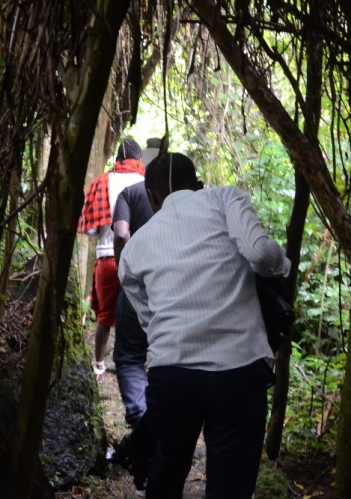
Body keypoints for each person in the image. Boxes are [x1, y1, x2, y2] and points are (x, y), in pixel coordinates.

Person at [118, 153, 290, 498]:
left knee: (167, 471)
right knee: (230, 486)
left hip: (173, 377)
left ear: (152, 198)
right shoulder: (225, 197)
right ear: (198, 186)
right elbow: (260, 255)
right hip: (238, 371)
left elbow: (150, 321)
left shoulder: (134, 248)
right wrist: (282, 265)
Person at [77, 138, 145, 379]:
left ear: (117, 159)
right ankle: (134, 364)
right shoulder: (146, 183)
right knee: (140, 314)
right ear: (138, 159)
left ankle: (98, 366)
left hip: (107, 258)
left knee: (104, 317)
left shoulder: (102, 182)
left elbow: (90, 229)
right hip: (139, 260)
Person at [108, 179, 156, 489]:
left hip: (139, 280)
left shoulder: (130, 193)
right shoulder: (194, 198)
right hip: (182, 285)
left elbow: (121, 232)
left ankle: (142, 418)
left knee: (128, 357)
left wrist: (125, 268)